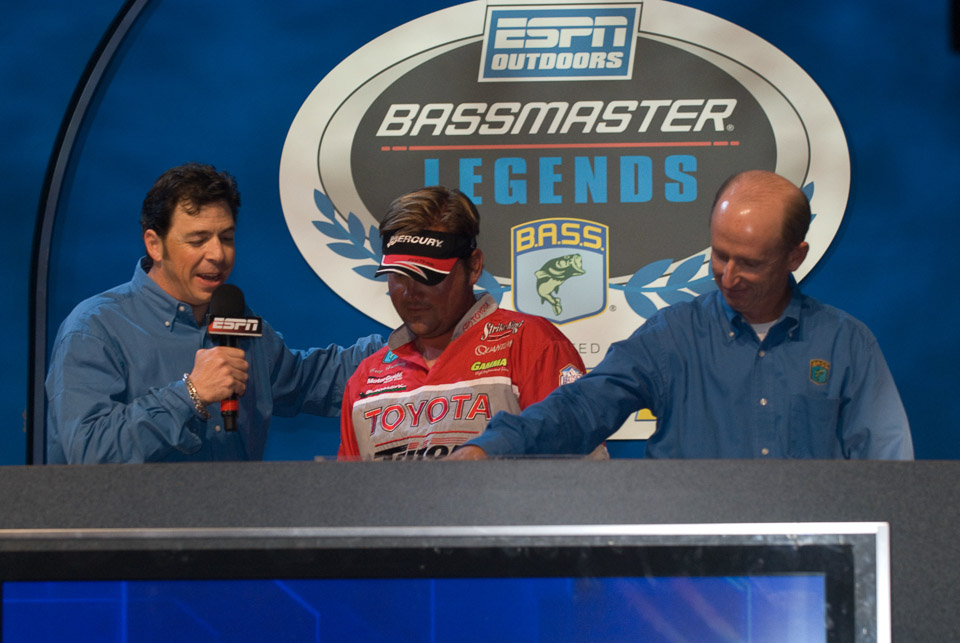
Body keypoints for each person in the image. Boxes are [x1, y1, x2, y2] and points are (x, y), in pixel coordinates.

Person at [449, 170, 914, 460]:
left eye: (750, 263)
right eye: (720, 254)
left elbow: (889, 468)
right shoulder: (671, 335)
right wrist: (490, 448)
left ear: (796, 256)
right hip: (691, 579)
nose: (728, 276)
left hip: (810, 573)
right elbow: (582, 406)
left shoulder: (846, 344)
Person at [45, 163, 383, 463]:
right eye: (198, 240)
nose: (218, 255)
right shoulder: (95, 328)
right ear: (154, 244)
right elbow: (88, 451)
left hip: (234, 515)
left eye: (227, 237)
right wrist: (190, 394)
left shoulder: (238, 321)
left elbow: (309, 380)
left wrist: (404, 346)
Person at [338, 186, 603, 460]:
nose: (411, 292)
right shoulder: (366, 377)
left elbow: (580, 472)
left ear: (474, 267)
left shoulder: (531, 344)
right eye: (399, 275)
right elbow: (349, 486)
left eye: (429, 275)